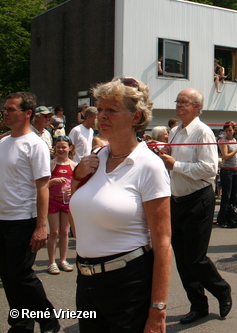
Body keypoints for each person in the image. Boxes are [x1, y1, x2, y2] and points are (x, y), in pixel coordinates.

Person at [69, 77, 171, 333]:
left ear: (136, 117)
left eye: (111, 110)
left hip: (127, 285)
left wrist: (158, 310)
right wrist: (77, 177)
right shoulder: (94, 159)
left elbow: (162, 243)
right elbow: (79, 211)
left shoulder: (149, 165)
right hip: (86, 282)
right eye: (100, 109)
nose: (100, 116)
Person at [158, 88, 232, 325]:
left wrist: (175, 164)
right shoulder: (174, 131)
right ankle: (198, 305)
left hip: (198, 199)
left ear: (196, 106)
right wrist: (167, 154)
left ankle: (222, 290)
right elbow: (172, 161)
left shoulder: (203, 132)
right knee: (181, 259)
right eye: (177, 101)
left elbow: (210, 170)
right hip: (176, 200)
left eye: (184, 102)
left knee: (195, 258)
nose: (179, 105)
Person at [0, 92, 60, 333]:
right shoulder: (3, 142)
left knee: (21, 275)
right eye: (4, 108)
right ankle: (22, 323)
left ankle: (48, 320)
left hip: (23, 220)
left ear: (27, 114)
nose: (5, 112)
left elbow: (43, 186)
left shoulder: (35, 145)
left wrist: (41, 226)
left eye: (11, 109)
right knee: (8, 276)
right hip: (2, 218)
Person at [46, 135, 77, 275]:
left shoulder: (74, 165)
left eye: (64, 147)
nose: (61, 149)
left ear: (70, 148)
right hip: (52, 200)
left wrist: (73, 190)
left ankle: (63, 260)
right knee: (54, 232)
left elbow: (78, 184)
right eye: (58, 147)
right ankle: (51, 262)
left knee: (64, 232)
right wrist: (54, 181)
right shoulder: (51, 164)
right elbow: (43, 186)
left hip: (67, 202)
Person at [217, 122, 237, 227]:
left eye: (230, 130)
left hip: (235, 169)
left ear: (234, 130)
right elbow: (226, 156)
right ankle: (222, 218)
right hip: (227, 170)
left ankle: (232, 216)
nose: (228, 132)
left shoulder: (235, 140)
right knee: (226, 195)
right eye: (226, 130)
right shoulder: (223, 141)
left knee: (234, 195)